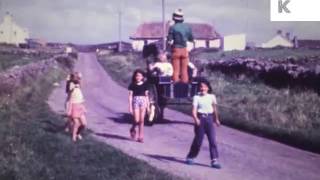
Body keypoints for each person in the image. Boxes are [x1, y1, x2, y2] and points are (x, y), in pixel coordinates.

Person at [186, 80, 222, 169]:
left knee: (212, 140)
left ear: (208, 88)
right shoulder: (196, 97)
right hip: (200, 118)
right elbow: (193, 110)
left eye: (204, 87)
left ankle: (214, 160)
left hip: (209, 119)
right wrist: (196, 119)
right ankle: (191, 157)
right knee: (198, 141)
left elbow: (214, 109)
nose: (202, 88)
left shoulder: (212, 97)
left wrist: (216, 119)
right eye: (201, 87)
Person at [167, 8, 194, 83]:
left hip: (176, 49)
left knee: (176, 70)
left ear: (174, 18)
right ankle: (185, 86)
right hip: (184, 50)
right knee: (184, 70)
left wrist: (168, 49)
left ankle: (176, 86)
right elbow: (191, 39)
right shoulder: (187, 27)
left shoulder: (172, 27)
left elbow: (170, 41)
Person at [128, 69, 149, 143]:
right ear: (135, 76)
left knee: (142, 120)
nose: (138, 77)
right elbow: (130, 96)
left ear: (142, 77)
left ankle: (140, 137)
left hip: (143, 102)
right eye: (137, 76)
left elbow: (146, 96)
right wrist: (130, 107)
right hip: (135, 101)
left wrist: (148, 106)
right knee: (136, 120)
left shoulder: (145, 85)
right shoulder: (132, 85)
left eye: (140, 76)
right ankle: (133, 128)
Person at [67, 73, 87, 142]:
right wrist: (70, 80)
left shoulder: (78, 84)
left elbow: (81, 86)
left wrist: (79, 79)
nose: (77, 79)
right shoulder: (71, 84)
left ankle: (77, 133)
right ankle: (73, 137)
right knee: (76, 123)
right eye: (76, 77)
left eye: (78, 78)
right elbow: (69, 90)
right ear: (72, 78)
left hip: (80, 105)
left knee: (84, 124)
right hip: (74, 105)